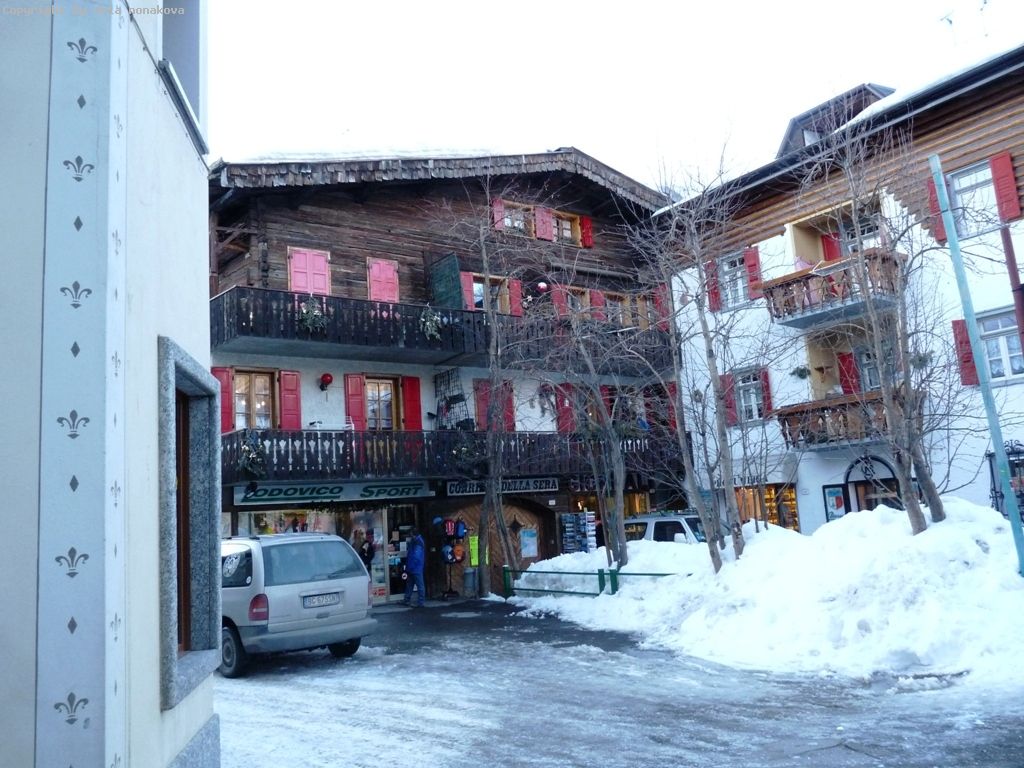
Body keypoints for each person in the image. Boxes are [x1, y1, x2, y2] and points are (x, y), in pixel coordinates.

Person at [403, 527, 426, 607]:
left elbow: (416, 557)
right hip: (413, 567)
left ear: (413, 534)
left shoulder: (418, 542)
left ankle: (420, 602)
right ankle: (407, 600)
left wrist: (410, 567)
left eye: (410, 534)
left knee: (419, 585)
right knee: (410, 584)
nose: (410, 535)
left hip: (416, 568)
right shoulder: (415, 541)